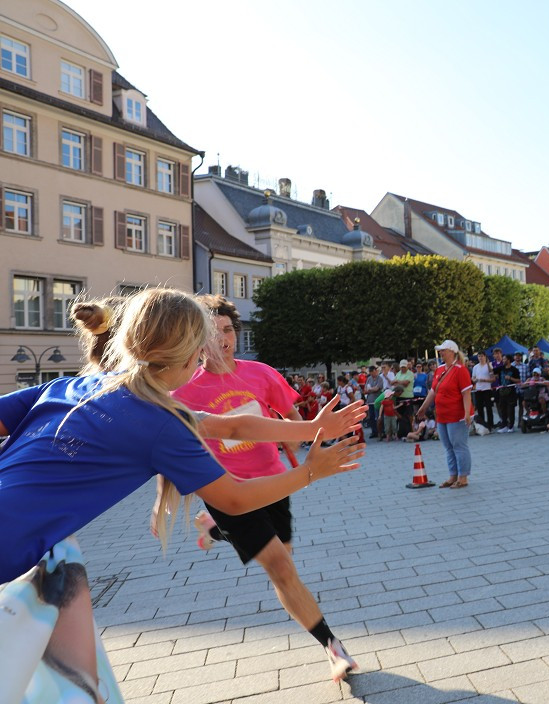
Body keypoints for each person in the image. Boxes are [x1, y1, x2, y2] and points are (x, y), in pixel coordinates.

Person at [0, 290, 365, 698]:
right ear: (191, 357)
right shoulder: (158, 422)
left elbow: (231, 427)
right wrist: (313, 470)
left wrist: (315, 428)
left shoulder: (76, 385)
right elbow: (235, 499)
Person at [169, 295, 361, 682]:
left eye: (227, 330)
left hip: (274, 483)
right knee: (281, 567)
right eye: (211, 332)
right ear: (195, 339)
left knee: (284, 560)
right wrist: (166, 494)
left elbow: (290, 416)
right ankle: (332, 647)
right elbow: (174, 448)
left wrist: (302, 440)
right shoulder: (183, 392)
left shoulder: (261, 373)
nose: (222, 339)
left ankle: (215, 530)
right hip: (229, 492)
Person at [416, 340, 474, 488]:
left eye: (444, 350)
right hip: (442, 415)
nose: (441, 353)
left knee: (459, 446)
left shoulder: (460, 370)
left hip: (457, 415)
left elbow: (466, 393)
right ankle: (453, 476)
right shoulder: (440, 369)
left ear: (452, 352)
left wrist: (467, 413)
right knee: (448, 447)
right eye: (440, 351)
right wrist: (423, 407)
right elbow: (433, 391)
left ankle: (463, 477)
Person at [471, 351, 496, 432]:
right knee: (480, 408)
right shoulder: (475, 367)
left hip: (487, 389)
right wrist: (475, 380)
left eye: (482, 356)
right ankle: (482, 424)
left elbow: (492, 378)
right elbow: (473, 378)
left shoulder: (489, 365)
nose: (480, 358)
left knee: (489, 408)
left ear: (485, 357)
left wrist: (483, 380)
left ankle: (490, 425)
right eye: (479, 356)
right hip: (478, 389)